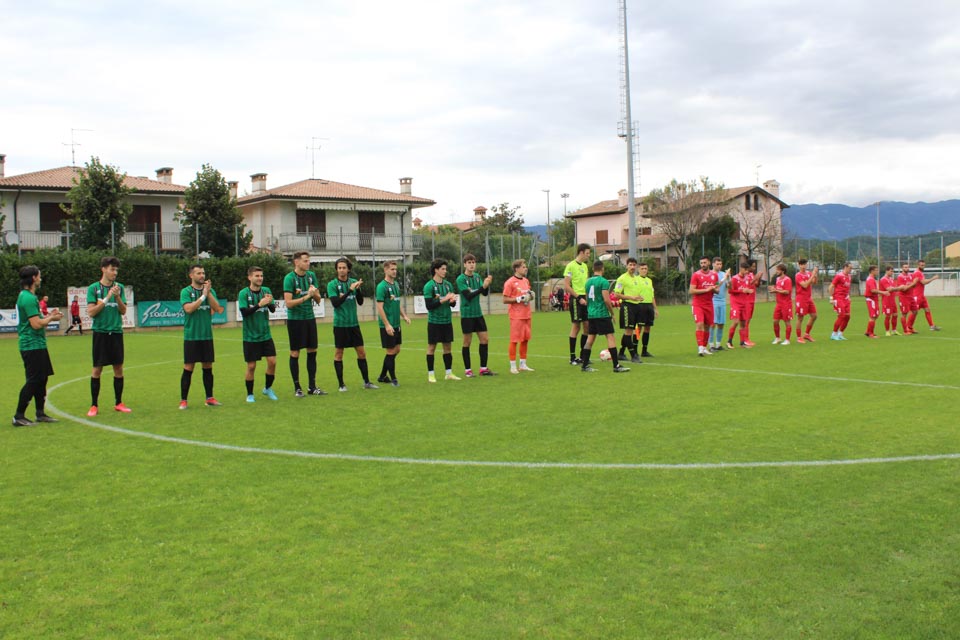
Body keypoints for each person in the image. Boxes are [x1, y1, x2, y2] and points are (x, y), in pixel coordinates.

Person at [13, 266, 63, 426]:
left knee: (42, 378)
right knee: (34, 380)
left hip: (38, 344)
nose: (40, 279)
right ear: (34, 278)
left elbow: (39, 320)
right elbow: (35, 324)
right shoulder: (28, 298)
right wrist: (51, 319)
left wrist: (50, 316)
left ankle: (40, 413)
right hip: (31, 345)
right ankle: (18, 416)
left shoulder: (29, 296)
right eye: (39, 276)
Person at [86, 256, 131, 416]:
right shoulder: (93, 288)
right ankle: (94, 405)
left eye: (116, 270)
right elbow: (91, 312)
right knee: (97, 369)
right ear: (103, 269)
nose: (115, 273)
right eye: (112, 269)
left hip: (116, 333)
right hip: (101, 333)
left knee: (118, 368)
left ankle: (119, 403)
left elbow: (123, 311)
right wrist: (106, 299)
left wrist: (117, 296)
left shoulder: (120, 288)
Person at [327, 257, 377, 392]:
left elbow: (360, 302)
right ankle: (341, 385)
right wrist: (349, 290)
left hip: (354, 324)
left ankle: (367, 382)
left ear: (348, 269)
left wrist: (358, 289)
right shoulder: (332, 285)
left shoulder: (353, 282)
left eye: (344, 267)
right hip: (340, 325)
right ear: (336, 269)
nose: (341, 270)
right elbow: (336, 303)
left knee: (362, 352)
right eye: (339, 268)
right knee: (339, 353)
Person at [179, 264, 224, 408]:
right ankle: (183, 400)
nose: (202, 275)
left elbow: (218, 309)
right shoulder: (186, 291)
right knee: (188, 367)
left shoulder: (210, 291)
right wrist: (203, 296)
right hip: (192, 336)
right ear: (191, 275)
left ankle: (209, 398)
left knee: (208, 366)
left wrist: (208, 293)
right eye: (198, 273)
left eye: (203, 273)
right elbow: (189, 309)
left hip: (206, 336)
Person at [283, 250, 326, 396]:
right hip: (295, 321)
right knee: (295, 352)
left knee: (312, 351)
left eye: (309, 260)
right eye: (305, 261)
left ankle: (312, 387)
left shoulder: (311, 276)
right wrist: (307, 296)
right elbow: (288, 303)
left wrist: (315, 294)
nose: (308, 263)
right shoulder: (289, 278)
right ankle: (297, 388)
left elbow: (318, 300)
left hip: (309, 318)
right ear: (296, 262)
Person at [580, 261, 629, 373]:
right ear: (602, 269)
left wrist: (590, 310)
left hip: (591, 314)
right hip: (602, 313)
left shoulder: (588, 282)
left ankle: (584, 365)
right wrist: (612, 313)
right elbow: (607, 299)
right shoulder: (603, 281)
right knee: (610, 337)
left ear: (593, 269)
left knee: (590, 339)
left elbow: (587, 299)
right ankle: (616, 365)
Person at [238, 266, 278, 403]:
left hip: (265, 335)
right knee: (251, 366)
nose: (260, 278)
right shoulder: (243, 293)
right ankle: (250, 394)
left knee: (272, 362)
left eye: (261, 276)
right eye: (257, 276)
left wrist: (270, 302)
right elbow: (244, 313)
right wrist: (259, 305)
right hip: (250, 336)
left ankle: (268, 388)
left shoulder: (266, 291)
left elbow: (273, 310)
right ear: (250, 277)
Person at [457, 253, 495, 377]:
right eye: (469, 262)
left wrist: (486, 286)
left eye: (473, 262)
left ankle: (483, 369)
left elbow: (484, 293)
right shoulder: (461, 279)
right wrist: (482, 287)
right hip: (467, 315)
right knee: (467, 342)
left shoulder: (477, 277)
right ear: (464, 264)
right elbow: (468, 296)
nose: (472, 265)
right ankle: (468, 370)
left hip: (478, 313)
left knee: (485, 339)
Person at [375, 260, 410, 387]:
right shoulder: (381, 287)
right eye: (392, 269)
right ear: (385, 270)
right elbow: (379, 307)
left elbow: (397, 303)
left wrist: (404, 316)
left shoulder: (395, 285)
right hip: (387, 325)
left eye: (395, 269)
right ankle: (394, 379)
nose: (394, 271)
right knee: (390, 351)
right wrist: (387, 324)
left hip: (396, 324)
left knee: (397, 350)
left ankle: (382, 376)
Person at [423, 258, 459, 382]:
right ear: (436, 270)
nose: (445, 271)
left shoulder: (448, 285)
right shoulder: (429, 286)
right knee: (431, 348)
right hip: (434, 322)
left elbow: (452, 305)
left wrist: (452, 301)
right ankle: (431, 374)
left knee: (447, 347)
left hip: (447, 321)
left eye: (445, 269)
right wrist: (444, 299)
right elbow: (429, 306)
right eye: (442, 269)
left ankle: (448, 373)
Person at [503, 258, 535, 373]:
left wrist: (530, 296)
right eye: (523, 267)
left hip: (527, 314)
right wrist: (518, 298)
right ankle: (512, 365)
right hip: (516, 315)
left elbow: (527, 296)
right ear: (516, 269)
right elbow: (505, 299)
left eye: (525, 266)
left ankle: (523, 364)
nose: (526, 268)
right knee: (514, 340)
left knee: (525, 339)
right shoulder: (510, 282)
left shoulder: (526, 281)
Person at [563, 243, 591, 365]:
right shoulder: (570, 266)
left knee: (587, 326)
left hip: (585, 298)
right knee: (576, 326)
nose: (589, 255)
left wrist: (588, 298)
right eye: (587, 253)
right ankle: (572, 357)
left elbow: (587, 284)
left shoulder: (585, 266)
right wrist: (579, 298)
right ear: (581, 252)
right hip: (576, 299)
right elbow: (566, 286)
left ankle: (583, 356)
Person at [690, 256, 719, 356]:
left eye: (704, 262)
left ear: (709, 263)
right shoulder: (696, 275)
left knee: (707, 326)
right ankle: (700, 348)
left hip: (709, 304)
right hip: (698, 304)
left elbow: (717, 290)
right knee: (699, 324)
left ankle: (704, 347)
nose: (703, 265)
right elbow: (691, 290)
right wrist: (706, 290)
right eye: (701, 263)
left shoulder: (714, 275)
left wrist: (714, 289)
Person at [726, 262, 751, 349]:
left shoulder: (747, 279)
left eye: (747, 270)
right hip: (735, 303)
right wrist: (742, 291)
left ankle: (742, 343)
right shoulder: (734, 279)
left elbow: (746, 291)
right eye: (745, 270)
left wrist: (748, 291)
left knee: (743, 324)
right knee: (736, 322)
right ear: (741, 269)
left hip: (744, 303)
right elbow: (730, 291)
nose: (747, 272)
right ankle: (729, 341)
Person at [911, 260, 941, 331]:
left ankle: (932, 326)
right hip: (917, 296)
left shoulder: (919, 272)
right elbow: (923, 282)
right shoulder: (918, 273)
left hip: (921, 296)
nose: (923, 266)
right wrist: (933, 278)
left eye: (923, 265)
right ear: (918, 265)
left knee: (927, 309)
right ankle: (909, 327)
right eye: (921, 265)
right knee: (914, 312)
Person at [793, 258, 819, 343]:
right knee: (800, 318)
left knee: (814, 316)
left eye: (805, 264)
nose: (804, 266)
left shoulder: (808, 273)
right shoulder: (798, 275)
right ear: (799, 265)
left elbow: (814, 282)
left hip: (808, 298)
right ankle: (799, 337)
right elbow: (805, 285)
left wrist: (815, 275)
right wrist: (812, 275)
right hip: (801, 298)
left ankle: (807, 334)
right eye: (802, 264)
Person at [710, 257, 731, 351]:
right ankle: (711, 345)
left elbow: (730, 287)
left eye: (720, 264)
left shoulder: (723, 274)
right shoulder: (710, 274)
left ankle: (718, 345)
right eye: (717, 264)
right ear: (713, 264)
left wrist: (729, 278)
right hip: (713, 300)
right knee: (713, 323)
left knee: (721, 323)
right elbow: (716, 286)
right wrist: (725, 277)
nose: (719, 266)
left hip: (722, 301)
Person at [829, 262, 853, 340]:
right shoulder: (839, 276)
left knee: (847, 316)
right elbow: (831, 287)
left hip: (846, 299)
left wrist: (848, 296)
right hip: (838, 298)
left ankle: (840, 334)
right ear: (845, 267)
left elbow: (847, 288)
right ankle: (834, 334)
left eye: (851, 268)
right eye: (850, 268)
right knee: (841, 315)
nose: (851, 269)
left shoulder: (849, 276)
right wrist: (831, 298)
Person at [770, 263, 793, 345]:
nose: (776, 271)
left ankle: (787, 340)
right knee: (775, 321)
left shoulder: (787, 280)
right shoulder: (777, 279)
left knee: (787, 322)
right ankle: (778, 338)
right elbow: (778, 289)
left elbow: (787, 291)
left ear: (782, 271)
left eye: (778, 270)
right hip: (778, 304)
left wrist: (776, 290)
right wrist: (773, 289)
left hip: (786, 304)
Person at [862, 265, 887, 339]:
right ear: (872, 271)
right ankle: (871, 334)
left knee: (876, 315)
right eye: (876, 270)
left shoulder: (872, 279)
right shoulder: (870, 279)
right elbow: (873, 290)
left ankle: (868, 331)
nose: (877, 272)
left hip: (874, 299)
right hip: (871, 299)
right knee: (873, 316)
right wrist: (883, 292)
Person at [878, 265, 901, 336]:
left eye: (893, 271)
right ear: (886, 271)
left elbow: (893, 289)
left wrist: (897, 289)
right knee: (888, 316)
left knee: (895, 315)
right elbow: (889, 289)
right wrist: (899, 288)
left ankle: (894, 330)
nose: (892, 273)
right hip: (886, 300)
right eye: (891, 271)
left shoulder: (891, 279)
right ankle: (887, 331)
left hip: (892, 300)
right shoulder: (883, 279)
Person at [895, 263, 917, 335]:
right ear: (902, 268)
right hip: (903, 297)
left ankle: (910, 327)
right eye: (905, 267)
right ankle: (905, 331)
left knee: (915, 311)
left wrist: (913, 284)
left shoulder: (911, 275)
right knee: (904, 313)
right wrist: (912, 284)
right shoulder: (900, 277)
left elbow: (914, 285)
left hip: (911, 296)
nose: (907, 268)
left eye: (907, 267)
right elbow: (904, 289)